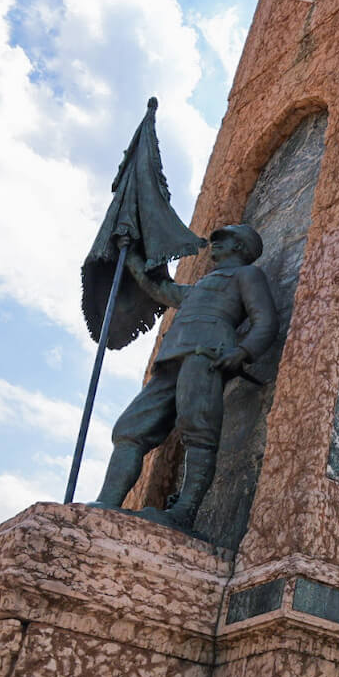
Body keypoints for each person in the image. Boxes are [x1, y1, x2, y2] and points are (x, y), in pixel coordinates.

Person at [93, 223, 278, 529]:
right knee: (130, 428)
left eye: (224, 240)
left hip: (206, 355)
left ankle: (184, 513)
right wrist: (131, 256)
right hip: (172, 358)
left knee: (198, 427)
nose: (215, 244)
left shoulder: (247, 275)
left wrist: (244, 351)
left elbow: (265, 320)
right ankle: (106, 503)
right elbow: (160, 289)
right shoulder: (200, 286)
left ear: (241, 248)